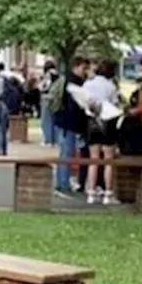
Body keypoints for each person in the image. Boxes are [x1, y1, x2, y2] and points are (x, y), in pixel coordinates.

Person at [81, 59, 121, 204]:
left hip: (92, 122)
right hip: (107, 121)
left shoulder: (88, 84)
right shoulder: (110, 86)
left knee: (94, 159)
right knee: (108, 160)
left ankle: (91, 193)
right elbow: (115, 103)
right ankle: (108, 194)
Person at [54, 55, 91, 194]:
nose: (85, 71)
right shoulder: (73, 83)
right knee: (67, 153)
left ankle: (62, 182)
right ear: (76, 66)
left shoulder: (68, 80)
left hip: (64, 122)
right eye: (83, 68)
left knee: (66, 152)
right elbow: (73, 107)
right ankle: (63, 184)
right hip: (68, 123)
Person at [38, 61, 59, 146]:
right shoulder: (58, 75)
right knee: (54, 121)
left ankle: (48, 140)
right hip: (55, 100)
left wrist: (40, 86)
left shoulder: (48, 75)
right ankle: (55, 140)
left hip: (47, 99)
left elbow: (44, 86)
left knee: (46, 121)